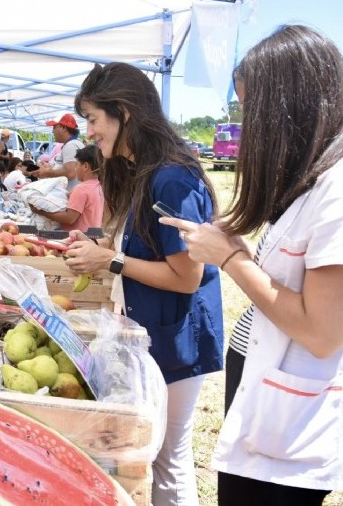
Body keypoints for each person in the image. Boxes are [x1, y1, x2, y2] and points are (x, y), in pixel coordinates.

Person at [163, 25, 343, 505]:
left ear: (292, 106)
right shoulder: (317, 177)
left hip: (295, 420)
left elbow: (322, 332)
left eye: (252, 109)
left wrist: (229, 258)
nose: (247, 126)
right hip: (263, 380)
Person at [63, 62, 223, 506]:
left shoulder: (171, 179)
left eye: (94, 119)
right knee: (154, 457)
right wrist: (99, 247)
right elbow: (144, 250)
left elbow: (186, 278)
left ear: (125, 113)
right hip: (156, 333)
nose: (90, 132)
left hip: (177, 338)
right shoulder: (146, 172)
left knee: (169, 460)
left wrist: (110, 260)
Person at [29, 145, 104, 232]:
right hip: (92, 236)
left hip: (76, 238)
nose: (75, 169)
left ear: (85, 166)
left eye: (77, 164)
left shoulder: (81, 189)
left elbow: (69, 218)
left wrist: (41, 211)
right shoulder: (98, 186)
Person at [34, 113, 84, 191]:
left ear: (63, 128)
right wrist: (51, 167)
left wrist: (47, 173)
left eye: (54, 127)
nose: (52, 131)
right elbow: (68, 169)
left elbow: (71, 173)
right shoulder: (75, 144)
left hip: (73, 194)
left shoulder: (71, 145)